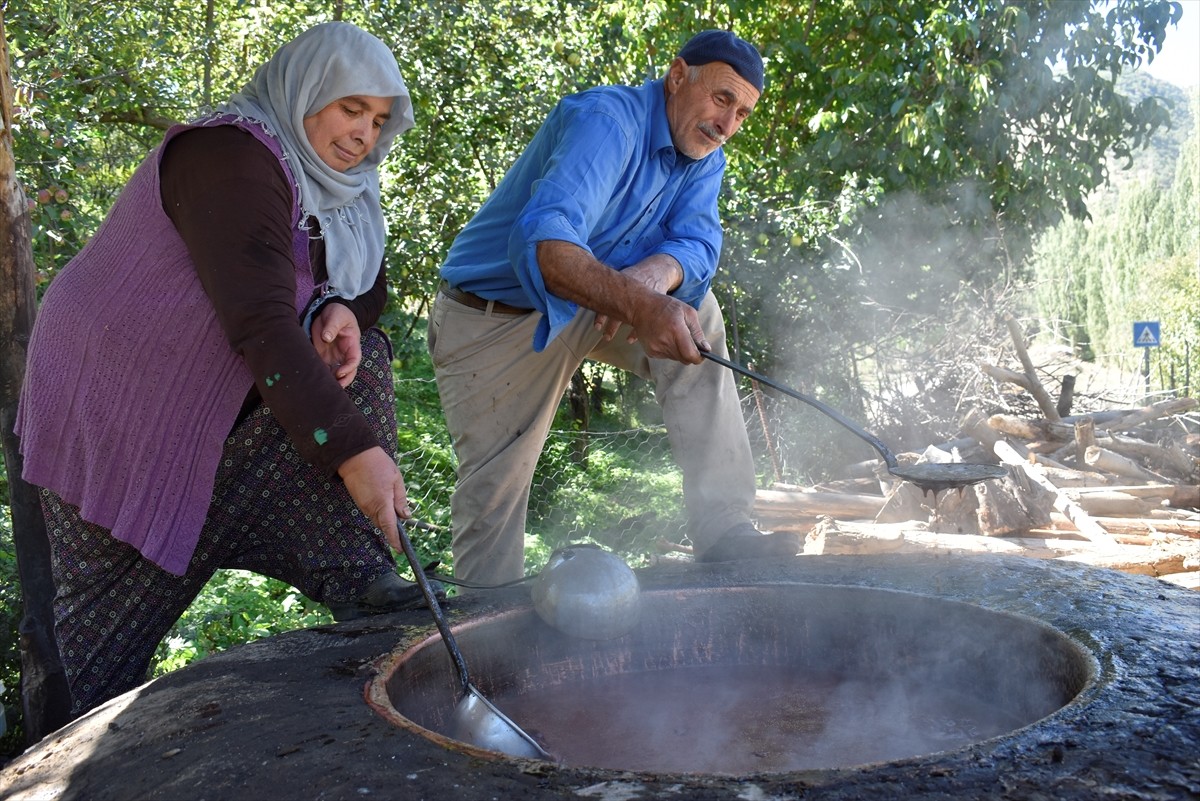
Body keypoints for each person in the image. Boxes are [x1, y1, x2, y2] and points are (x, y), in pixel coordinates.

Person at [16, 22, 435, 719]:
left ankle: (360, 571)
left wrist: (343, 309)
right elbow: (261, 322)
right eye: (351, 108)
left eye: (379, 120)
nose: (364, 134)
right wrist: (356, 453)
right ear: (306, 91)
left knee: (361, 367)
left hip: (225, 422)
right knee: (98, 652)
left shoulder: (343, 191)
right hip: (114, 406)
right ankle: (67, 742)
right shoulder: (229, 157)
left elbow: (368, 283)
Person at [428, 30, 801, 586]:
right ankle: (487, 624)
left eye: (742, 113)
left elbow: (699, 244)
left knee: (698, 315)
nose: (727, 124)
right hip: (495, 317)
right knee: (493, 499)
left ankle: (725, 530)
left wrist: (655, 276)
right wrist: (638, 303)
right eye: (721, 98)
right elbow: (545, 244)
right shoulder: (607, 122)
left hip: (591, 304)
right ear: (678, 76)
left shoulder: (704, 153)